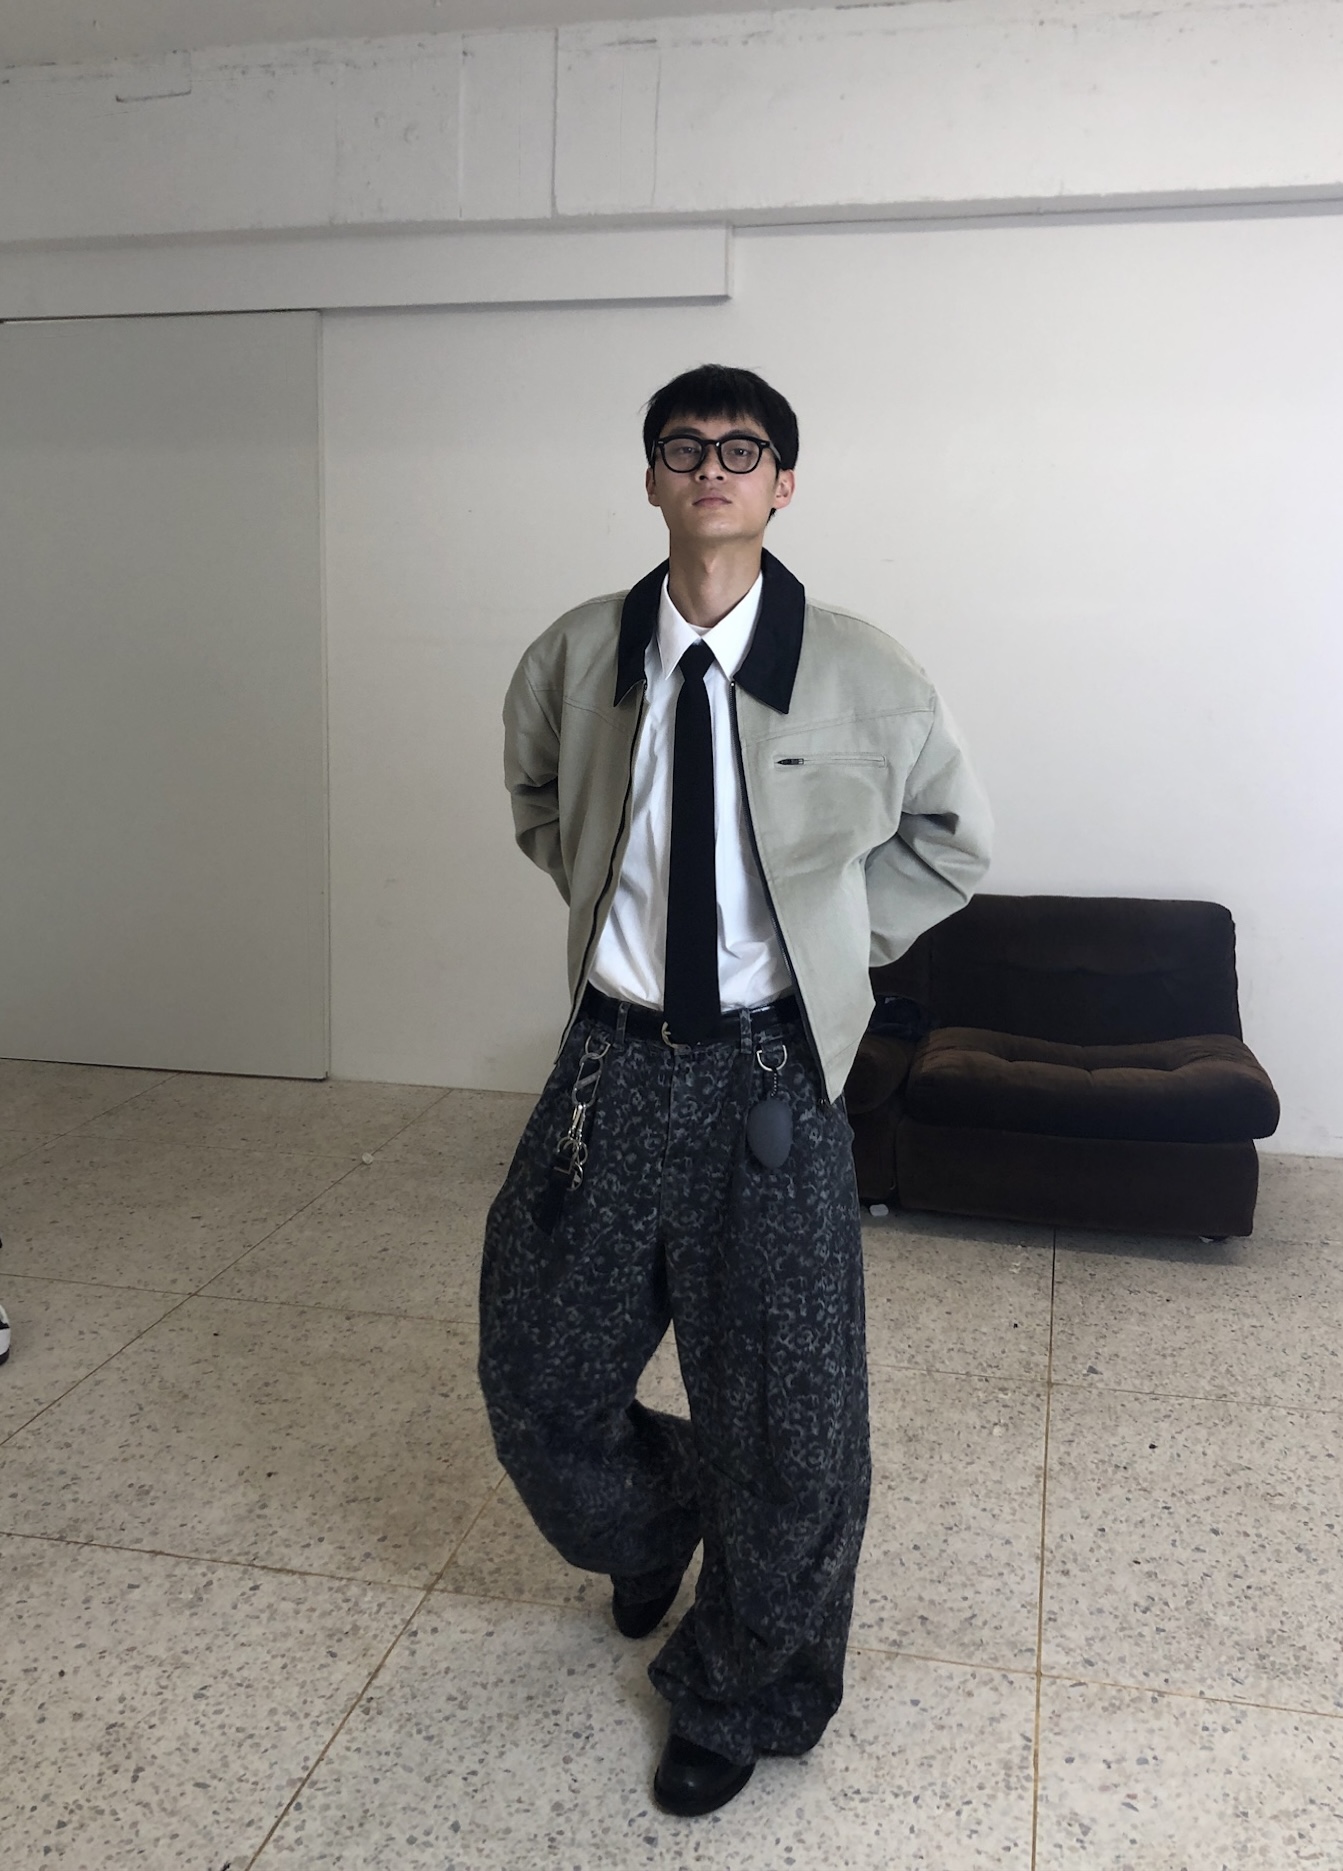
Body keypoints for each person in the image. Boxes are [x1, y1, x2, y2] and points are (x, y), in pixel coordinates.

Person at [480, 363, 992, 1817]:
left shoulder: (865, 672)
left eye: (743, 448)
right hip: (608, 1060)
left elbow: (954, 841)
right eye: (684, 445)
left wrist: (833, 947)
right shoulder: (577, 655)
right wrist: (617, 919)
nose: (713, 466)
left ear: (783, 484)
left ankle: (744, 1687)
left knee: (793, 1424)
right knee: (538, 1381)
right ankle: (661, 1519)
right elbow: (539, 803)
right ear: (652, 478)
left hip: (771, 1078)